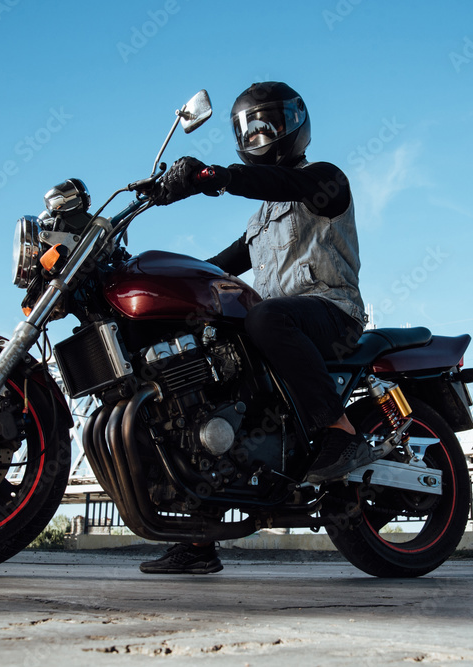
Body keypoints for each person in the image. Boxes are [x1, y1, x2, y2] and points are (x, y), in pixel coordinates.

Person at [140, 82, 382, 575]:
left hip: (331, 314)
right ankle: (200, 541)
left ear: (295, 123)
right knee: (212, 388)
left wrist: (213, 177)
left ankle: (340, 431)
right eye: (248, 129)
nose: (258, 135)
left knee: (265, 314)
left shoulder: (324, 179)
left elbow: (280, 183)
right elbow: (215, 267)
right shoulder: (259, 221)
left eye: (268, 124)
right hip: (277, 332)